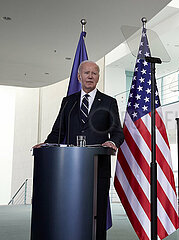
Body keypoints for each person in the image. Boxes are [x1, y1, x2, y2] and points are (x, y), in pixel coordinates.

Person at [33, 60, 124, 240]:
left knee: (97, 210)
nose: (90, 76)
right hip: (71, 169)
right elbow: (58, 131)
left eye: (94, 73)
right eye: (86, 73)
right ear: (79, 76)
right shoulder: (68, 102)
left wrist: (112, 143)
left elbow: (117, 132)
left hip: (98, 167)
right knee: (72, 209)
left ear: (98, 77)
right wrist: (46, 144)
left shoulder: (108, 102)